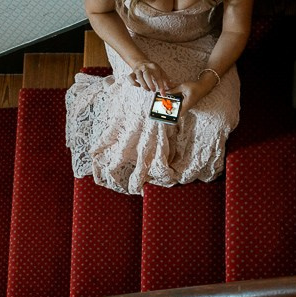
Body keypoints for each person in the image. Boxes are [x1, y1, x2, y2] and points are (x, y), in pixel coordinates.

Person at [66, 0, 254, 195]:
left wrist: (205, 83)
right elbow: (98, 13)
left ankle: (184, 157)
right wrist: (138, 62)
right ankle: (151, 159)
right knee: (158, 110)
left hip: (204, 45)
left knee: (216, 118)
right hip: (136, 43)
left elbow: (234, 31)